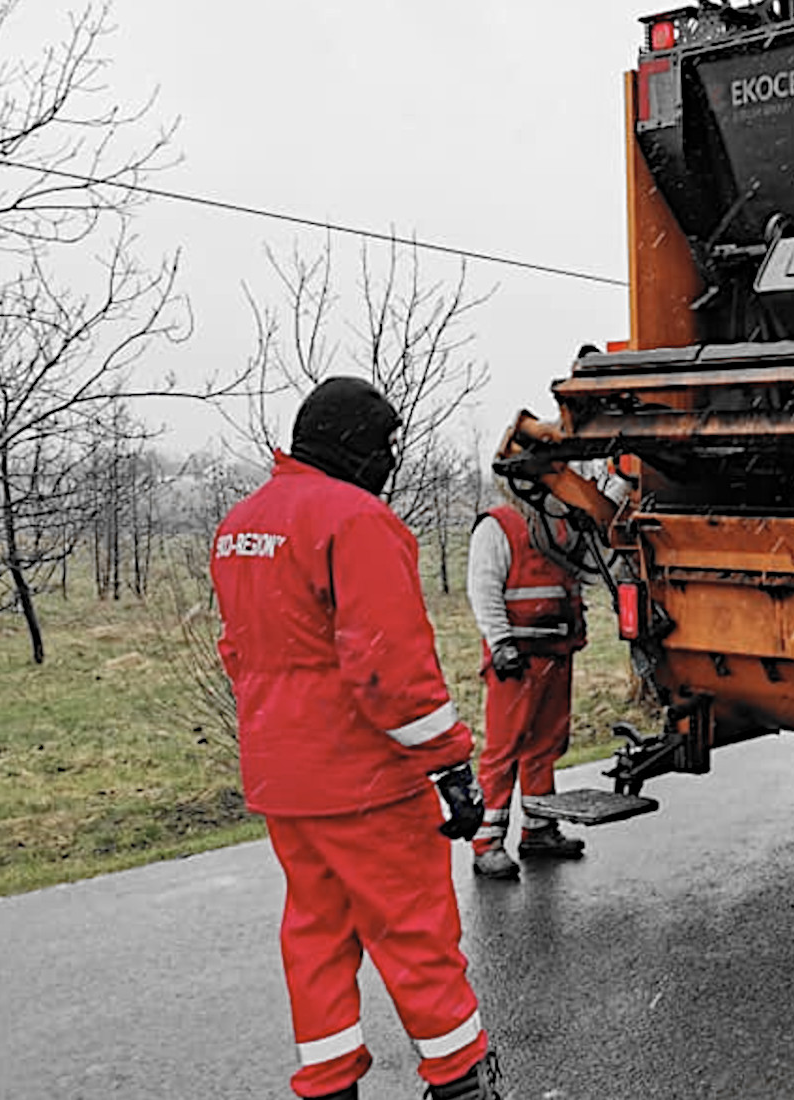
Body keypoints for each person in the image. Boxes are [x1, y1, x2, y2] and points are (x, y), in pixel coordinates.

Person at [211, 377, 500, 1100]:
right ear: (355, 443)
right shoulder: (355, 520)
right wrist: (451, 764)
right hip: (364, 779)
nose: (391, 460)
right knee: (415, 933)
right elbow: (388, 671)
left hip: (284, 776)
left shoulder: (242, 523)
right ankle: (461, 1080)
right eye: (387, 444)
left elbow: (238, 652)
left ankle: (329, 1082)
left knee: (315, 934)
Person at [464, 480, 599, 879]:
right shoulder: (498, 526)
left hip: (554, 652)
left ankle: (538, 828)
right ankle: (487, 842)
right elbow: (483, 588)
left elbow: (588, 570)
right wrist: (501, 642)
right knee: (505, 750)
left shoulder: (561, 526)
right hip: (517, 656)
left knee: (545, 745)